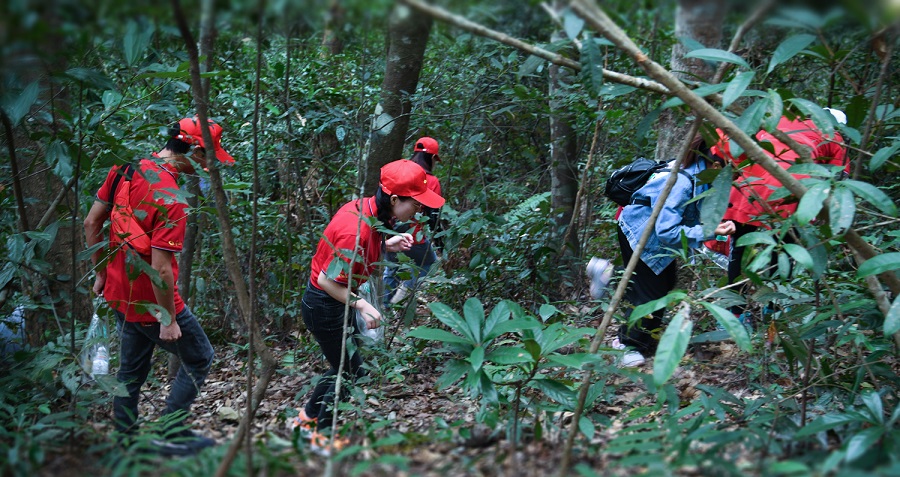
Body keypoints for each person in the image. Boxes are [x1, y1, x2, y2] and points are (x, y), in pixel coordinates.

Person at [84, 116, 234, 455]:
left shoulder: (125, 168)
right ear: (194, 151)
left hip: (119, 293)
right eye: (207, 156)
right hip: (153, 301)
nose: (208, 165)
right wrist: (168, 319)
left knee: (132, 370)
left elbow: (92, 221)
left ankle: (125, 440)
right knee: (199, 358)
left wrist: (101, 274)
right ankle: (170, 432)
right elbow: (162, 269)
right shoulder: (171, 197)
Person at [294, 159, 444, 456]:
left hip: (335, 301)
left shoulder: (371, 211)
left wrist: (388, 244)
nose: (420, 210)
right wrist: (364, 306)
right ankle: (317, 434)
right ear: (394, 199)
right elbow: (326, 280)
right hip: (325, 303)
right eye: (415, 204)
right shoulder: (357, 230)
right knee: (348, 371)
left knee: (344, 368)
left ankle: (306, 422)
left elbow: (362, 246)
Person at [712, 110, 848, 323]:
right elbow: (840, 179)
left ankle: (735, 313)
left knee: (739, 249)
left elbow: (727, 142)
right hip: (790, 195)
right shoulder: (834, 136)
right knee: (783, 252)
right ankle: (773, 314)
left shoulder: (780, 120)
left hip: (750, 189)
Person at [611, 139, 736, 367]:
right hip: (640, 232)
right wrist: (708, 231)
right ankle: (629, 345)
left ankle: (608, 276)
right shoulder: (683, 182)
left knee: (664, 284)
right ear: (717, 166)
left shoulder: (698, 173)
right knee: (650, 293)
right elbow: (667, 232)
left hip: (649, 235)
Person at [383, 137, 444, 305]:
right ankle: (402, 298)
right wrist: (440, 244)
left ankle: (384, 306)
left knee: (391, 268)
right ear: (432, 158)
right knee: (429, 264)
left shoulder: (400, 171)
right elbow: (433, 215)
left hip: (389, 230)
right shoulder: (432, 181)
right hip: (414, 236)